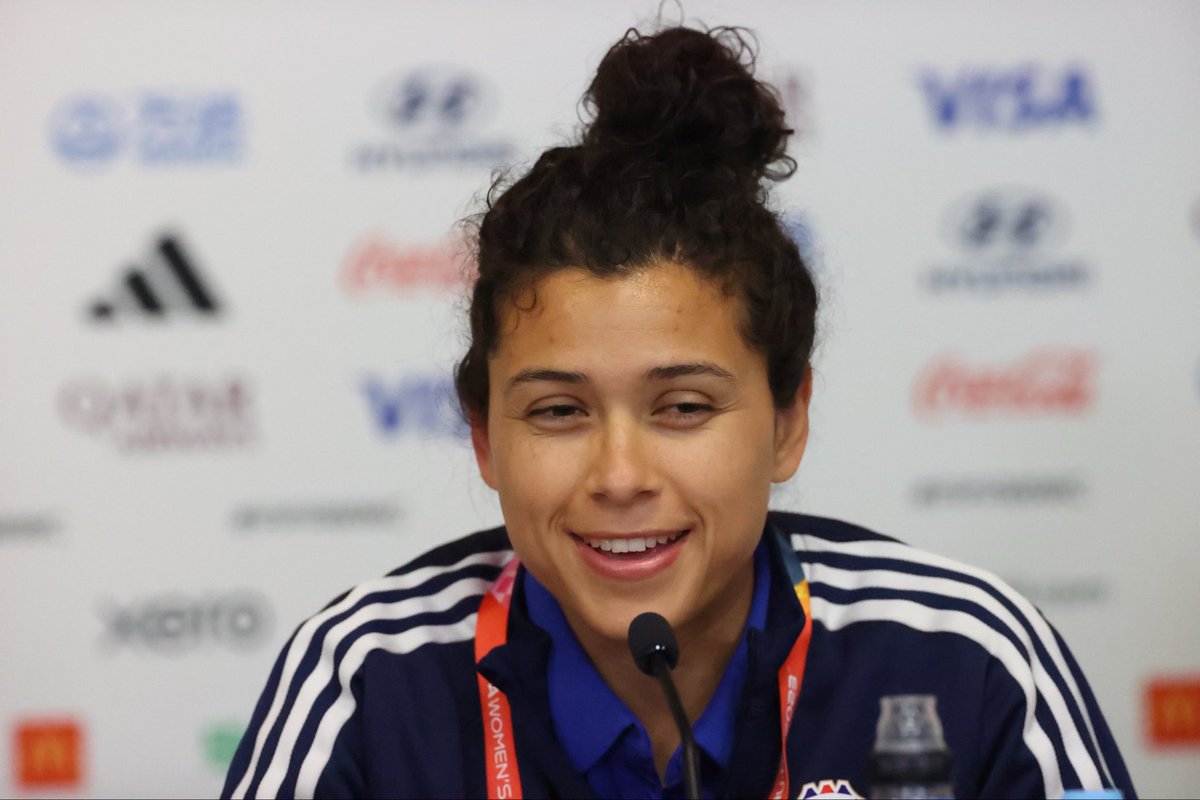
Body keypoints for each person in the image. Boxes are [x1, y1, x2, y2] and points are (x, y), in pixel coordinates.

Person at [222, 25, 1135, 800]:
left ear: (787, 420)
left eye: (684, 407)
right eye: (558, 412)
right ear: (482, 437)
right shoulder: (365, 684)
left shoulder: (965, 659)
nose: (621, 478)